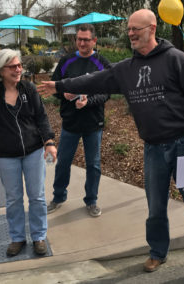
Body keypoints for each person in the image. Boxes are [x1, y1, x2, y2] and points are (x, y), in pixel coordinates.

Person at [38, 9, 184, 284]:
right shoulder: (125, 69)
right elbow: (91, 80)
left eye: (136, 28)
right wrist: (59, 85)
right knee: (155, 208)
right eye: (129, 30)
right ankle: (158, 252)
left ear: (153, 27)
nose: (131, 33)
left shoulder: (176, 59)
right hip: (154, 149)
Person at [0, 49, 57, 257]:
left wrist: (49, 141)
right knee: (14, 199)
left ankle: (38, 237)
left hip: (33, 151)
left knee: (37, 197)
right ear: (1, 69)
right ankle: (17, 238)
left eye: (19, 65)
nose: (18, 69)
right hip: (6, 155)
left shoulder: (29, 88)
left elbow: (41, 118)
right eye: (13, 67)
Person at [47, 24, 111, 217]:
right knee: (63, 162)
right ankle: (58, 197)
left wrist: (89, 102)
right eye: (79, 39)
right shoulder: (66, 61)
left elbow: (107, 93)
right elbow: (54, 86)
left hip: (93, 123)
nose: (82, 43)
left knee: (93, 165)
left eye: (86, 39)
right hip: (70, 123)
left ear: (94, 41)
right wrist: (62, 93)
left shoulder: (102, 63)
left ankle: (91, 200)